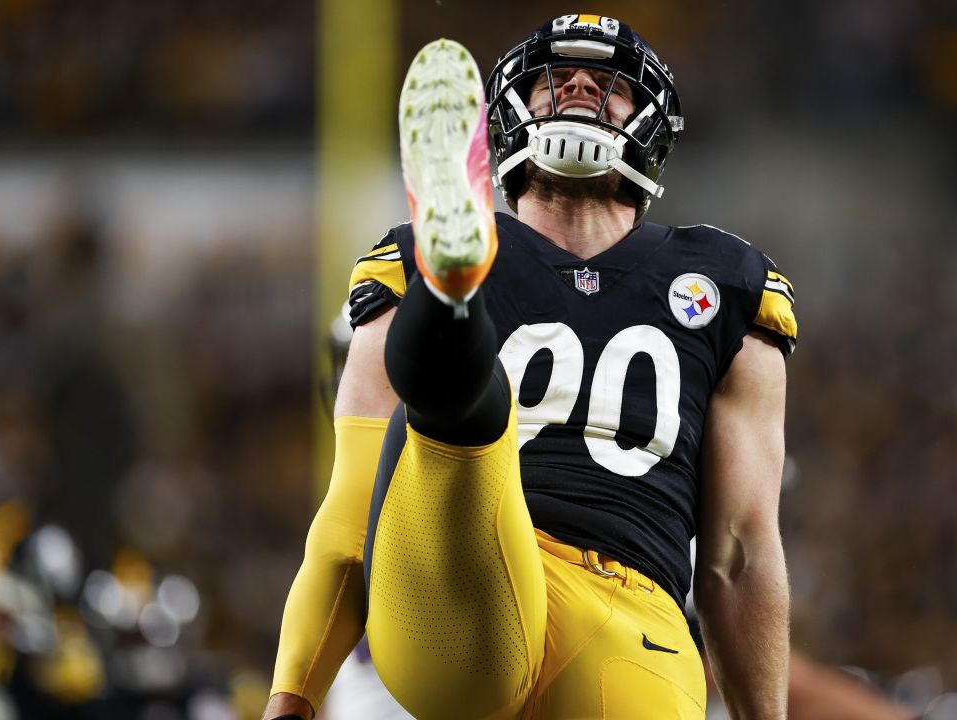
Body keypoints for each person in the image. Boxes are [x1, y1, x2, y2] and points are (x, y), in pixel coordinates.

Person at [265, 14, 797, 720]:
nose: (579, 84)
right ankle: (455, 300)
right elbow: (350, 521)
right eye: (556, 80)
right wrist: (292, 696)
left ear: (654, 128)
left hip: (631, 624)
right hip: (471, 601)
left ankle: (453, 310)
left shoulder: (724, 281)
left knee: (453, 406)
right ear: (508, 119)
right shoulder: (400, 265)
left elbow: (739, 553)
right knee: (455, 426)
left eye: (608, 84)